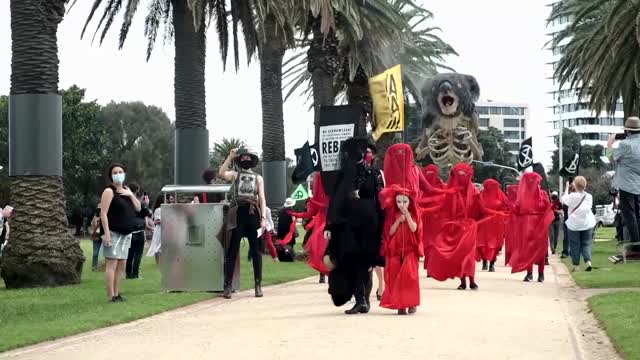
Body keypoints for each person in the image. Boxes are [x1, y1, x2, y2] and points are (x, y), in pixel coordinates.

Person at [324, 137, 384, 315]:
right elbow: (335, 202)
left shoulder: (373, 174)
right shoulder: (345, 175)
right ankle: (361, 298)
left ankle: (362, 297)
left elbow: (380, 199)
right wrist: (329, 226)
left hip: (366, 225)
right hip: (350, 225)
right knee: (356, 261)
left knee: (363, 262)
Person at [219, 148, 267, 299]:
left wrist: (264, 217)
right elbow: (221, 173)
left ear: (251, 160)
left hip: (252, 214)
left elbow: (262, 198)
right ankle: (227, 286)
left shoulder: (258, 178)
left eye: (248, 158)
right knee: (232, 250)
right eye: (243, 158)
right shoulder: (235, 175)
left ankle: (258, 285)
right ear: (241, 160)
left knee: (256, 251)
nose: (245, 159)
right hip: (238, 213)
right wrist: (230, 157)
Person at [427, 163, 484, 290]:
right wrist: (425, 210)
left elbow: (481, 211)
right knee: (459, 254)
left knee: (469, 255)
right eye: (458, 175)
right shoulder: (451, 193)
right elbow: (442, 208)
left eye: (463, 175)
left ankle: (472, 280)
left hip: (469, 227)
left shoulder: (475, 193)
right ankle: (463, 280)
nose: (461, 178)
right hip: (456, 227)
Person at [99, 163, 142, 302]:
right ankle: (111, 295)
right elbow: (103, 214)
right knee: (112, 264)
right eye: (115, 172)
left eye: (121, 171)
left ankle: (117, 293)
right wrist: (106, 234)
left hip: (126, 234)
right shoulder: (109, 191)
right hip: (113, 232)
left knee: (122, 265)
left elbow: (138, 208)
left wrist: (131, 195)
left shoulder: (126, 190)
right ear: (111, 176)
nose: (118, 174)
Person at [379, 185, 422, 315]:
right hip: (396, 250)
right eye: (398, 201)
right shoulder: (392, 215)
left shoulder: (414, 214)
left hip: (410, 250)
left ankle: (412, 302)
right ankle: (401, 304)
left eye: (404, 201)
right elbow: (390, 232)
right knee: (397, 277)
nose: (401, 204)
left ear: (410, 202)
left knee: (409, 276)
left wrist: (407, 215)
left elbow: (414, 228)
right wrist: (398, 221)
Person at [509, 172, 554, 283]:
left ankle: (537, 273)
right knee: (532, 249)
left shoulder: (539, 194)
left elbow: (547, 208)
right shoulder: (529, 195)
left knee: (536, 249)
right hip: (531, 224)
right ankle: (534, 273)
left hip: (535, 224)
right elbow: (517, 210)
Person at [289, 172, 329, 283]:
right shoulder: (309, 200)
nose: (312, 185)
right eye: (311, 183)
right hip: (314, 225)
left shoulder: (326, 196)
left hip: (323, 223)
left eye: (313, 183)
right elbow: (308, 214)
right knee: (311, 244)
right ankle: (309, 258)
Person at [608, 117, 640, 250]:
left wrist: (610, 143)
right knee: (638, 215)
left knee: (629, 215)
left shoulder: (625, 145)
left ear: (627, 131)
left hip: (627, 184)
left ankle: (636, 245)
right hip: (638, 184)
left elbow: (611, 158)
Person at [562, 176, 596, 272]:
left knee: (574, 245)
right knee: (586, 244)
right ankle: (588, 261)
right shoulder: (589, 197)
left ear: (575, 185)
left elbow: (564, 199)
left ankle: (576, 265)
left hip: (574, 224)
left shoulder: (572, 196)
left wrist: (567, 187)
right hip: (586, 223)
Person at [476, 179, 509, 272]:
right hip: (483, 222)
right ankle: (484, 260)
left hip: (497, 223)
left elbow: (507, 208)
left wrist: (504, 215)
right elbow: (478, 208)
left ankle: (492, 263)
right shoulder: (480, 196)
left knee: (495, 244)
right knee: (481, 244)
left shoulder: (501, 196)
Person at [125, 183, 151, 280]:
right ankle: (135, 274)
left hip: (129, 231)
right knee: (138, 254)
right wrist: (146, 204)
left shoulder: (125, 202)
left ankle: (128, 274)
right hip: (139, 231)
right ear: (136, 191)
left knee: (130, 254)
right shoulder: (139, 203)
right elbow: (148, 212)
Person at [146, 195, 164, 265]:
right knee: (157, 247)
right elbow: (156, 221)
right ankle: (158, 263)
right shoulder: (158, 209)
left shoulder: (163, 209)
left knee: (162, 247)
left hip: (164, 230)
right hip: (159, 230)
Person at [89, 206, 103, 271]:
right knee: (95, 253)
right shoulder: (95, 218)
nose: (101, 211)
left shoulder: (107, 217)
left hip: (104, 237)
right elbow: (92, 226)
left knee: (105, 253)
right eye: (100, 210)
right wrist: (97, 223)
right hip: (96, 236)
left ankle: (103, 267)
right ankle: (94, 267)